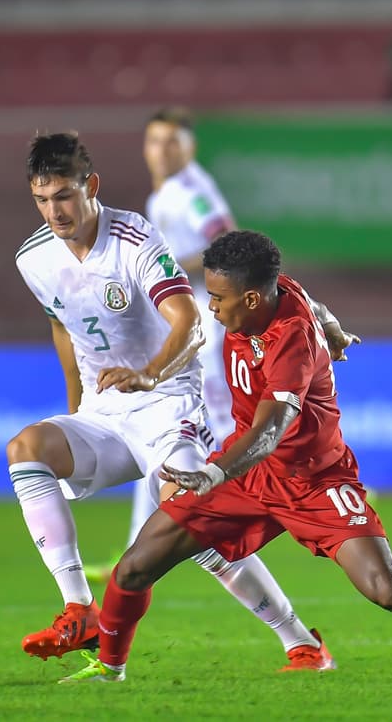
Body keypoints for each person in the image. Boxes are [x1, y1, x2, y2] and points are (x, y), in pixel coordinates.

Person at [59, 230, 392, 685]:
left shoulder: (289, 341)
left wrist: (212, 472)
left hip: (314, 480)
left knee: (388, 589)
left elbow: (270, 430)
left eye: (217, 298)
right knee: (133, 568)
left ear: (251, 299)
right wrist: (336, 330)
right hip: (249, 474)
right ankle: (110, 670)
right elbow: (312, 301)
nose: (210, 308)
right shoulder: (276, 294)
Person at [8, 133, 332, 671]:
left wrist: (148, 374)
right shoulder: (33, 258)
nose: (54, 211)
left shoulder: (134, 239)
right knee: (26, 447)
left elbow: (188, 322)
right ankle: (78, 608)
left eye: (64, 195)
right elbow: (63, 330)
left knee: (192, 521)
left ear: (91, 186)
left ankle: (301, 641)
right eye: (42, 200)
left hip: (166, 403)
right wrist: (74, 410)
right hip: (103, 411)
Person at [84, 107, 238, 585]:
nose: (163, 150)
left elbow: (225, 238)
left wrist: (164, 265)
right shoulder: (171, 192)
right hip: (188, 319)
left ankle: (304, 482)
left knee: (211, 419)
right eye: (155, 141)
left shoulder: (187, 191)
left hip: (200, 323)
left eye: (173, 141)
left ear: (189, 147)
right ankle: (140, 547)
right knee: (165, 422)